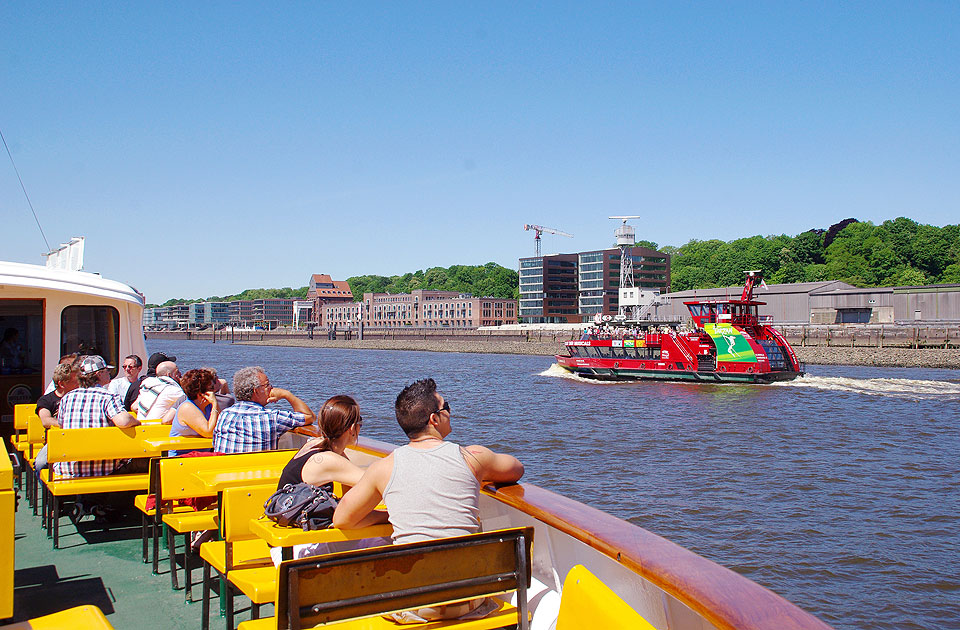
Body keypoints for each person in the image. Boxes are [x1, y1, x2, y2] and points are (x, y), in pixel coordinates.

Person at [333, 378, 524, 622]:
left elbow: (342, 519)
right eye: (447, 408)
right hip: (469, 599)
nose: (450, 413)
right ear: (434, 419)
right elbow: (516, 468)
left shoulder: (384, 468)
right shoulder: (473, 458)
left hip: (414, 605)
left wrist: (389, 517)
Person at [270, 395, 388, 563]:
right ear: (352, 428)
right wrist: (388, 515)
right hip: (295, 550)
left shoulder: (315, 445)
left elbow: (353, 499)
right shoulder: (327, 460)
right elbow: (378, 484)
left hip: (292, 542)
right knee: (386, 541)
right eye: (360, 421)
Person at [53, 355, 140, 480]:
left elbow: (61, 424)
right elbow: (124, 421)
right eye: (106, 371)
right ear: (99, 374)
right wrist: (136, 421)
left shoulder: (67, 398)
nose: (109, 374)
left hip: (68, 467)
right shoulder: (108, 396)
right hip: (102, 468)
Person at [211, 366, 315, 454]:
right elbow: (309, 416)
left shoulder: (225, 414)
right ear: (256, 391)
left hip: (224, 473)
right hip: (255, 474)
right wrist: (286, 394)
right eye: (267, 385)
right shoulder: (272, 417)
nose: (271, 388)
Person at [168, 368, 221, 456]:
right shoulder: (187, 407)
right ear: (201, 393)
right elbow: (209, 432)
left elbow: (220, 428)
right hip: (182, 458)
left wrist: (214, 406)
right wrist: (215, 404)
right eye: (211, 388)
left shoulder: (208, 407)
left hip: (203, 455)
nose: (214, 392)